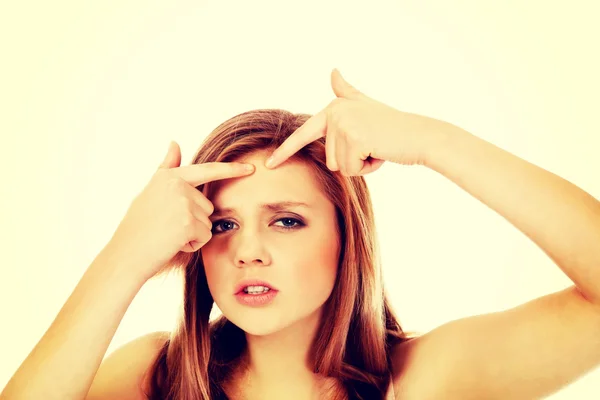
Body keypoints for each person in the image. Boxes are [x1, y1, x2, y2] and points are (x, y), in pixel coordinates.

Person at [2, 69, 600, 400]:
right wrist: (124, 256)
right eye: (224, 223)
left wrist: (430, 142)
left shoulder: (420, 381)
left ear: (347, 240)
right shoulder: (155, 378)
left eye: (287, 220)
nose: (248, 250)